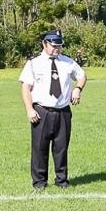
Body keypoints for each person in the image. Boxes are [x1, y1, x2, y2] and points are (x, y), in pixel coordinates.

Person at [19, 30, 86, 189]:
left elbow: (82, 76)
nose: (57, 48)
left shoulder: (68, 62)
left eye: (59, 45)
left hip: (63, 111)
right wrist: (29, 109)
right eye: (54, 45)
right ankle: (39, 182)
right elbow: (25, 87)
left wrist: (78, 89)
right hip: (41, 111)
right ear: (44, 44)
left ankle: (62, 180)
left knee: (61, 147)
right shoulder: (34, 63)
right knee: (39, 148)